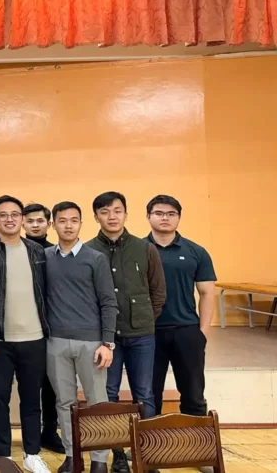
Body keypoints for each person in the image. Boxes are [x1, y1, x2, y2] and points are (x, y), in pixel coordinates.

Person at [84, 192, 165, 473]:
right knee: (109, 396)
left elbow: (158, 292)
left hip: (142, 335)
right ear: (96, 216)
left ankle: (147, 455)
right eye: (105, 211)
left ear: (126, 214)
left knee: (145, 394)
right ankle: (118, 455)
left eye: (117, 211)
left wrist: (145, 319)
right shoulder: (88, 251)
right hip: (106, 339)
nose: (112, 216)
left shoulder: (145, 249)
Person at [0, 196, 51, 473]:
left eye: (15, 214)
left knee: (31, 399)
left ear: (22, 219)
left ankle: (32, 453)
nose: (10, 219)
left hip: (35, 338)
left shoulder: (37, 251)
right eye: (3, 215)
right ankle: (3, 455)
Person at [43, 202, 117, 473]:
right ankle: (72, 456)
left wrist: (107, 343)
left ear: (81, 224)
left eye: (74, 220)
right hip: (56, 342)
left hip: (92, 343)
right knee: (64, 403)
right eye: (62, 220)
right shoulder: (44, 257)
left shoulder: (95, 258)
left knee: (97, 403)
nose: (69, 225)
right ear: (53, 224)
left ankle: (99, 460)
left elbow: (108, 302)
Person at [146, 195, 216, 417]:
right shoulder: (138, 250)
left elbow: (207, 293)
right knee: (148, 394)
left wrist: (202, 333)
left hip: (187, 330)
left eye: (171, 214)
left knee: (193, 393)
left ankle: (196, 437)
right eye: (159, 213)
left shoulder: (196, 251)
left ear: (179, 217)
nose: (165, 218)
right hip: (148, 332)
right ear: (148, 216)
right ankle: (149, 438)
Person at [22, 202, 64, 454]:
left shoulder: (55, 252)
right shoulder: (15, 249)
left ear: (49, 224)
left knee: (51, 385)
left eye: (40, 221)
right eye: (30, 221)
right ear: (22, 223)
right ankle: (30, 434)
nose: (35, 225)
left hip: (53, 327)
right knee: (30, 384)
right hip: (24, 328)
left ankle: (49, 430)